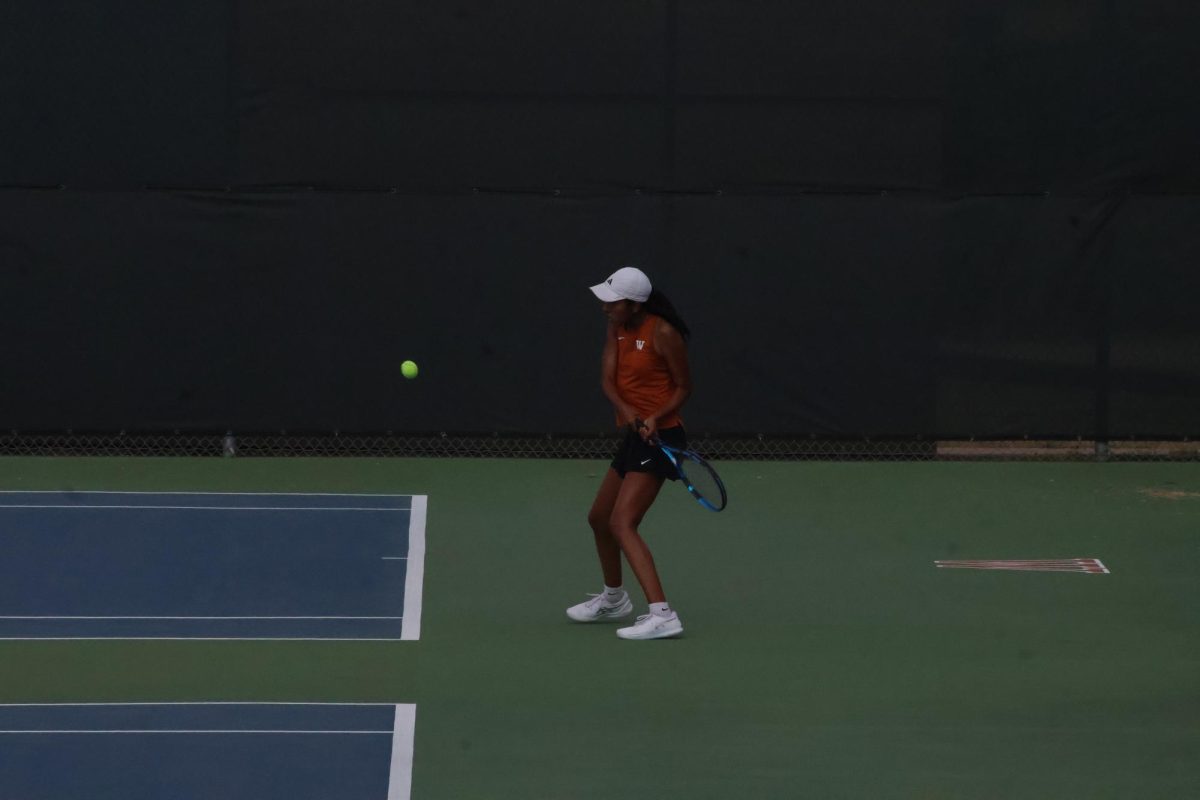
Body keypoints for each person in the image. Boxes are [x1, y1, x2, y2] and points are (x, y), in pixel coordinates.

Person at [565, 266, 692, 640]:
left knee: (622, 522)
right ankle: (614, 599)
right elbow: (608, 379)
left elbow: (684, 387)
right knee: (599, 518)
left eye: (612, 302)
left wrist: (653, 417)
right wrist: (631, 414)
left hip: (663, 437)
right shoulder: (617, 328)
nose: (605, 307)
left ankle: (663, 614)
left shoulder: (664, 333)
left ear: (634, 304)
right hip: (635, 434)